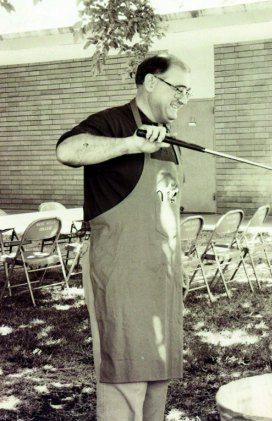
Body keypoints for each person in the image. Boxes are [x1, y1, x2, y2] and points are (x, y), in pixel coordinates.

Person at [56, 53, 191, 421]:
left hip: (162, 276)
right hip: (121, 274)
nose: (182, 97)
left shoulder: (170, 139)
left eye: (187, 91)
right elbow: (66, 150)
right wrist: (131, 144)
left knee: (158, 376)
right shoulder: (112, 122)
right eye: (178, 88)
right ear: (151, 82)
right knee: (126, 374)